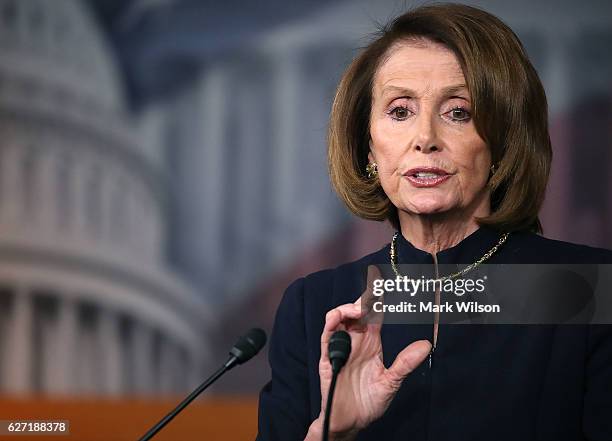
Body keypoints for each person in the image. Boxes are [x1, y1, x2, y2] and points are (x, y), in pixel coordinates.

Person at [256, 3, 612, 440]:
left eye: (458, 112)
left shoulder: (591, 289)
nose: (425, 139)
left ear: (504, 140)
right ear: (368, 147)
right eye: (400, 111)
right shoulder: (316, 305)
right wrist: (331, 433)